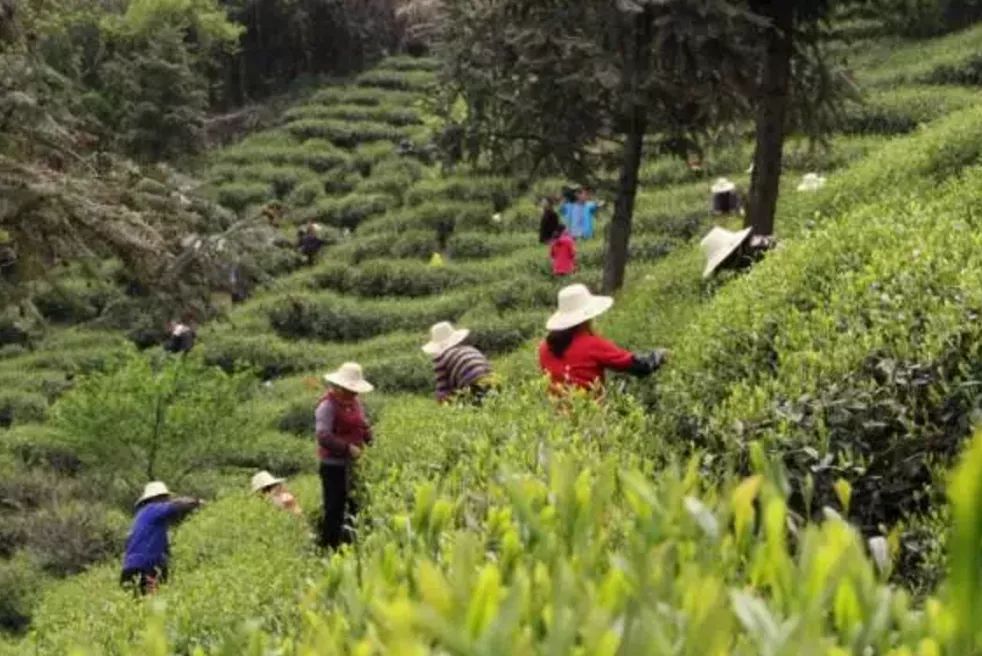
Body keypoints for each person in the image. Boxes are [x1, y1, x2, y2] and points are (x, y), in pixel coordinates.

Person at [538, 284, 667, 396]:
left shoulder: (544, 347)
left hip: (556, 419)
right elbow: (637, 365)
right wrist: (661, 355)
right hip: (590, 417)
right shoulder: (591, 344)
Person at [315, 362, 374, 549]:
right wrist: (348, 448)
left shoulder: (355, 403)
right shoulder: (327, 406)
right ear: (339, 387)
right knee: (334, 509)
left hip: (355, 465)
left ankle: (354, 546)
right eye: (350, 389)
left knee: (357, 505)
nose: (354, 393)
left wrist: (368, 436)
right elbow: (323, 436)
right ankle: (328, 549)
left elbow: (362, 425)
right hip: (333, 466)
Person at [120, 481, 203, 596]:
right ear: (157, 498)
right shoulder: (153, 509)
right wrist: (197, 502)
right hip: (147, 568)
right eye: (165, 498)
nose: (167, 500)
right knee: (154, 608)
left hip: (130, 569)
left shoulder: (141, 516)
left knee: (134, 608)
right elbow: (177, 505)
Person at [422, 321, 494, 404]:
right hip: (492, 380)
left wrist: (442, 403)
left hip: (472, 385)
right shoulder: (469, 348)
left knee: (467, 406)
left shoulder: (440, 359)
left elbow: (442, 390)